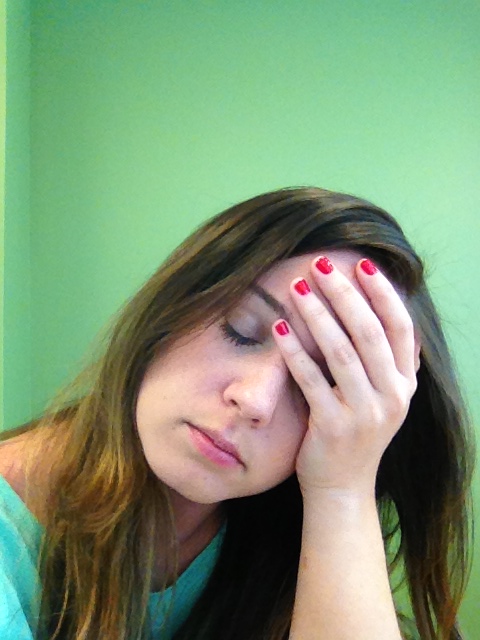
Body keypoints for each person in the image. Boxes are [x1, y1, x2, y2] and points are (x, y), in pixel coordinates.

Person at [0, 187, 474, 640]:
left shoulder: (286, 532)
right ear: (169, 304)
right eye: (241, 330)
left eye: (317, 384)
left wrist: (342, 490)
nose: (255, 400)